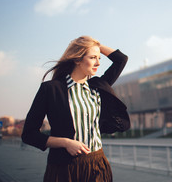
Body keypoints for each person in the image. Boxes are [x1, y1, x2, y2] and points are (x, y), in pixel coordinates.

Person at [22, 36, 130, 182]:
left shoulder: (99, 85)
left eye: (99, 58)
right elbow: (29, 134)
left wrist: (95, 45)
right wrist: (66, 143)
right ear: (77, 59)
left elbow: (121, 59)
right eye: (92, 57)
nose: (98, 63)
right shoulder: (51, 89)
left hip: (97, 164)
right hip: (64, 168)